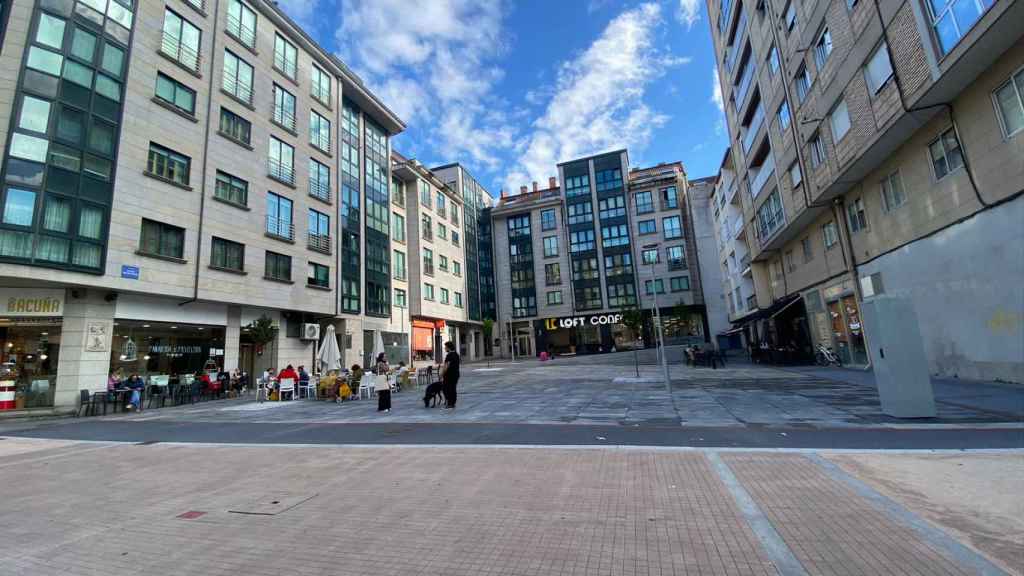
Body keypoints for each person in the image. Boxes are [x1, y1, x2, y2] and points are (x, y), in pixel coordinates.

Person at [441, 341, 460, 409]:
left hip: (449, 375)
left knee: (446, 389)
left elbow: (446, 366)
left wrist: (442, 374)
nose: (445, 348)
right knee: (453, 389)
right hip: (456, 374)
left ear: (448, 348)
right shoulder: (456, 354)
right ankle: (452, 403)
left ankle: (450, 403)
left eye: (445, 347)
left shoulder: (449, 355)